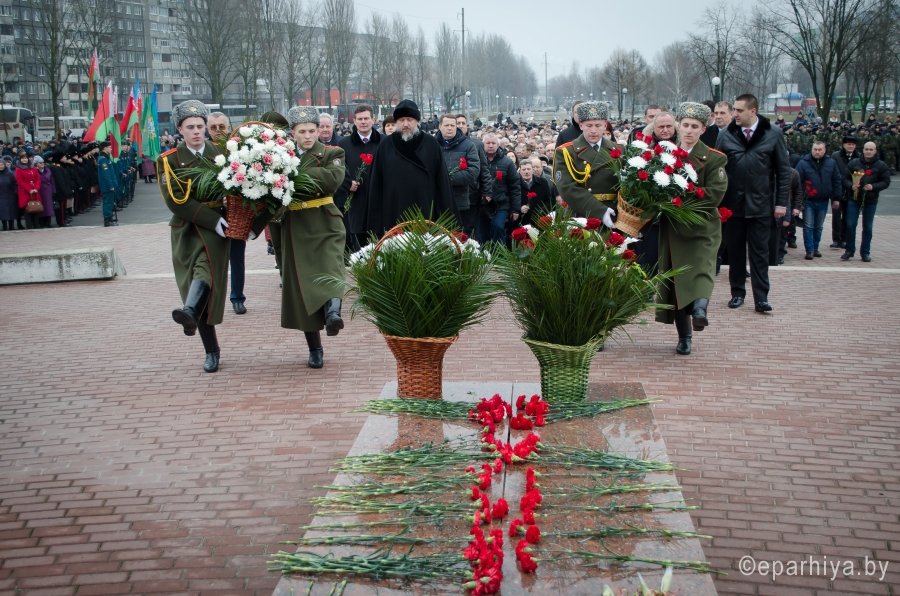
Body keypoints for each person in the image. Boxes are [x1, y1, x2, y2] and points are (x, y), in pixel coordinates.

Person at [251, 106, 346, 369]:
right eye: (302, 131)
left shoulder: (332, 153)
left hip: (325, 222)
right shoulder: (279, 157)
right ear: (292, 133)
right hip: (293, 227)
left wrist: (288, 174)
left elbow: (330, 181)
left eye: (312, 131)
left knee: (332, 267)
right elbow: (268, 192)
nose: (308, 136)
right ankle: (315, 348)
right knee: (301, 288)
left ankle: (333, 314)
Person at [158, 100, 229, 373]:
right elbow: (176, 201)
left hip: (216, 231)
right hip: (188, 230)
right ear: (180, 129)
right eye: (190, 127)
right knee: (196, 286)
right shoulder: (169, 160)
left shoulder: (220, 153)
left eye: (200, 126)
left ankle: (189, 312)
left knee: (205, 275)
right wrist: (213, 219)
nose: (197, 131)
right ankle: (210, 349)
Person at [656, 102, 729, 356]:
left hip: (702, 225)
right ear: (679, 126)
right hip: (674, 229)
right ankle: (684, 336)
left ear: (703, 129)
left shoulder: (714, 158)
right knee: (677, 281)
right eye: (685, 125)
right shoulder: (665, 155)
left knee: (703, 268)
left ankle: (700, 309)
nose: (688, 130)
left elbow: (715, 193)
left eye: (694, 126)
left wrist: (683, 193)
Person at [716, 94, 791, 313]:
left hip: (761, 205)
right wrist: (718, 203)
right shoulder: (726, 134)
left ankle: (761, 297)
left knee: (760, 254)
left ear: (753, 111)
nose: (735, 114)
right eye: (734, 110)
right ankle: (737, 293)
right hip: (733, 206)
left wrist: (781, 203)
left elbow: (783, 171)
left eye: (739, 110)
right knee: (736, 252)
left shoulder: (773, 133)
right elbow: (717, 170)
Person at [366, 99, 456, 236]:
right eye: (401, 120)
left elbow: (442, 182)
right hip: (393, 209)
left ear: (417, 121)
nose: (406, 124)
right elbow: (376, 184)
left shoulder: (431, 144)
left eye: (409, 119)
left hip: (424, 208)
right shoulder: (385, 146)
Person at [551, 100, 618, 220]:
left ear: (605, 125)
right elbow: (566, 188)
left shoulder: (618, 150)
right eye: (589, 125)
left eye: (598, 125)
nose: (593, 130)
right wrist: (600, 211)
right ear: (581, 125)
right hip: (582, 214)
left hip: (615, 214)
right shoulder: (566, 152)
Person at [335, 104, 382, 252]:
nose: (363, 122)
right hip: (355, 201)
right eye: (360, 119)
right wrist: (347, 183)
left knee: (380, 242)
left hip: (379, 200)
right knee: (358, 246)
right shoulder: (344, 144)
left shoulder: (384, 141)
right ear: (354, 121)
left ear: (373, 119)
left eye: (366, 118)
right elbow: (338, 169)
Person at [843, 141, 891, 262]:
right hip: (854, 199)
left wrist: (873, 186)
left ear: (875, 151)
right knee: (850, 224)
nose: (868, 151)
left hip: (871, 200)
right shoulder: (854, 163)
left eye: (871, 149)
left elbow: (886, 182)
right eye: (866, 149)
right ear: (863, 150)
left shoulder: (881, 165)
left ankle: (865, 252)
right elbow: (844, 178)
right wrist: (851, 186)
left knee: (868, 227)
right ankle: (849, 250)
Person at [794, 141, 842, 260]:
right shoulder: (803, 163)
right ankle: (809, 250)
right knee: (808, 226)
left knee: (819, 226)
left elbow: (836, 181)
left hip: (823, 200)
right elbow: (797, 182)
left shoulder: (831, 163)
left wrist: (836, 198)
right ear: (811, 149)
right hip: (808, 200)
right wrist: (798, 202)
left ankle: (815, 248)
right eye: (815, 149)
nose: (817, 152)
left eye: (820, 150)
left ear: (824, 150)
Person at [437, 114, 480, 233]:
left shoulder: (468, 145)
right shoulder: (432, 145)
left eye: (452, 125)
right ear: (440, 126)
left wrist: (447, 179)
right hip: (438, 201)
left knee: (460, 236)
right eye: (446, 125)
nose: (449, 128)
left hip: (460, 202)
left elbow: (473, 171)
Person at [478, 132, 520, 245]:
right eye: (488, 143)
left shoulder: (507, 162)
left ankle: (500, 252)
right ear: (483, 145)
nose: (491, 145)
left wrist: (515, 209)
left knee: (498, 227)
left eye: (493, 143)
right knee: (482, 234)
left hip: (501, 204)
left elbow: (515, 187)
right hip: (482, 204)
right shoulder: (478, 160)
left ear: (498, 145)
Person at [829, 135, 859, 249]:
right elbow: (831, 171)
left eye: (853, 144)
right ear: (843, 145)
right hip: (837, 190)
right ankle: (836, 239)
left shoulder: (858, 157)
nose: (851, 146)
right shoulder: (836, 156)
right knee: (836, 216)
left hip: (851, 191)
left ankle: (845, 239)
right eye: (848, 144)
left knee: (847, 215)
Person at [517, 159, 552, 226]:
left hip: (539, 219)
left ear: (532, 170)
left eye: (529, 169)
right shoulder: (515, 184)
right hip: (521, 220)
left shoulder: (542, 182)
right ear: (520, 171)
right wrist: (520, 208)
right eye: (524, 170)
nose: (526, 171)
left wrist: (540, 211)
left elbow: (548, 200)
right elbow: (511, 201)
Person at [14, 151, 40, 229]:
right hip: (25, 192)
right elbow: (20, 181)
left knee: (36, 208)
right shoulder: (18, 169)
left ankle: (37, 226)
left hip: (34, 191)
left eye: (25, 158)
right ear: (20, 159)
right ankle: (29, 227)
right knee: (28, 210)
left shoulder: (33, 168)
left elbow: (38, 179)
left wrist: (36, 188)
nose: (24, 160)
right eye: (22, 158)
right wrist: (29, 189)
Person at [97, 141, 118, 227]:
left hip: (110, 185)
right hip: (107, 186)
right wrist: (110, 185)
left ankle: (109, 217)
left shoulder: (106, 158)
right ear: (104, 148)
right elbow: (106, 174)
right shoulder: (103, 159)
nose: (111, 149)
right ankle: (107, 219)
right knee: (107, 203)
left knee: (110, 202)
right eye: (109, 147)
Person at [33, 156, 55, 228]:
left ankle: (48, 223)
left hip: (48, 190)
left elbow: (52, 181)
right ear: (36, 164)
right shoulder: (34, 171)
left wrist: (53, 190)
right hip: (40, 190)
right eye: (40, 163)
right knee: (41, 207)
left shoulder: (48, 170)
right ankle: (41, 223)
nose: (42, 164)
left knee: (48, 207)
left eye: (43, 162)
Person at [0, 159, 16, 230]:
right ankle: (4, 227)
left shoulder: (10, 174)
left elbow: (14, 184)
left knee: (11, 212)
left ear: (4, 165)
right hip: (1, 196)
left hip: (10, 195)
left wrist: (14, 192)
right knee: (2, 212)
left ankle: (11, 226)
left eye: (2, 165)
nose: (0, 166)